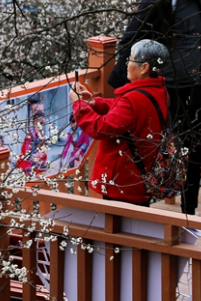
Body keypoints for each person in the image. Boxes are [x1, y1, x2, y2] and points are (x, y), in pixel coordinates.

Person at [108, 0, 201, 215]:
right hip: (161, 90)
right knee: (154, 150)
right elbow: (128, 43)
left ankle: (189, 212)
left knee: (195, 150)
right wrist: (130, 86)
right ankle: (145, 208)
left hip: (192, 88)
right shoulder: (159, 3)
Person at [69, 39, 170, 206]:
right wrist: (96, 104)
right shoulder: (159, 91)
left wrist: (78, 105)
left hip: (122, 181)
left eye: (130, 59)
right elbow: (129, 113)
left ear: (144, 67)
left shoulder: (133, 98)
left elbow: (101, 128)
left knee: (118, 228)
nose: (126, 63)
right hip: (142, 174)